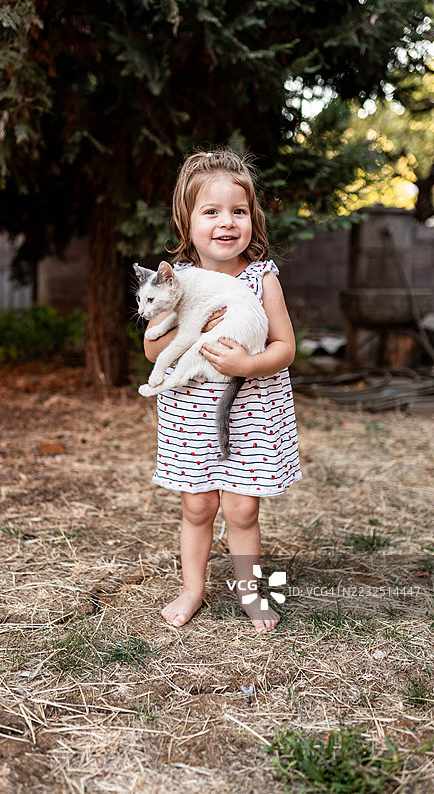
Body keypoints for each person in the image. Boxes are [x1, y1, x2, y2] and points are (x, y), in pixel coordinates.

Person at [143, 148, 302, 632]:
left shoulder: (261, 277)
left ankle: (252, 594)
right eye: (210, 212)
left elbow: (286, 346)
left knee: (241, 507)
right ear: (186, 222)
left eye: (238, 212)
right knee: (198, 504)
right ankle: (193, 589)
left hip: (250, 409)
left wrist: (247, 363)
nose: (226, 223)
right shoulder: (177, 281)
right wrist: (184, 333)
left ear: (252, 219)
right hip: (191, 412)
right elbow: (154, 351)